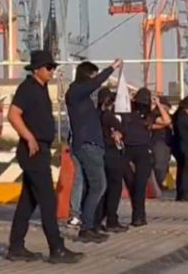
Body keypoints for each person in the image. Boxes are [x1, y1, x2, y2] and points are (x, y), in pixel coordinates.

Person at [6, 51, 82, 264]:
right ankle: (56, 248)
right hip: (33, 150)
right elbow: (13, 114)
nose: (51, 71)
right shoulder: (28, 88)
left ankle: (16, 246)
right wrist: (29, 137)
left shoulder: (41, 89)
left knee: (27, 202)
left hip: (41, 149)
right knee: (48, 201)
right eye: (48, 67)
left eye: (53, 67)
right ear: (37, 69)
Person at [65, 60, 121, 242]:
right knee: (99, 185)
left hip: (91, 144)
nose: (96, 80)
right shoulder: (75, 92)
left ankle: (91, 224)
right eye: (93, 76)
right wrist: (111, 68)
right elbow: (94, 84)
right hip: (87, 145)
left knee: (91, 185)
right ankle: (87, 226)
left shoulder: (83, 98)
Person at [95, 88, 128, 233]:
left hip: (99, 153)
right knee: (114, 188)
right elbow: (119, 134)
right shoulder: (109, 117)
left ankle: (97, 220)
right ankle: (111, 220)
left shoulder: (94, 115)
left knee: (102, 188)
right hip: (111, 153)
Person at [121, 88, 155, 226]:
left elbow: (165, 121)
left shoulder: (149, 115)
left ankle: (139, 216)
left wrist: (156, 105)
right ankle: (138, 215)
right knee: (131, 183)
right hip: (128, 149)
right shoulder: (127, 111)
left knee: (140, 185)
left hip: (143, 150)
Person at [150, 96, 174, 193]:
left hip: (167, 142)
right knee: (160, 165)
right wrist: (159, 105)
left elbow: (169, 122)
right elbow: (166, 121)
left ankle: (169, 184)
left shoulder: (168, 115)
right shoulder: (154, 115)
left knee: (166, 164)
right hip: (159, 142)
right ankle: (162, 185)